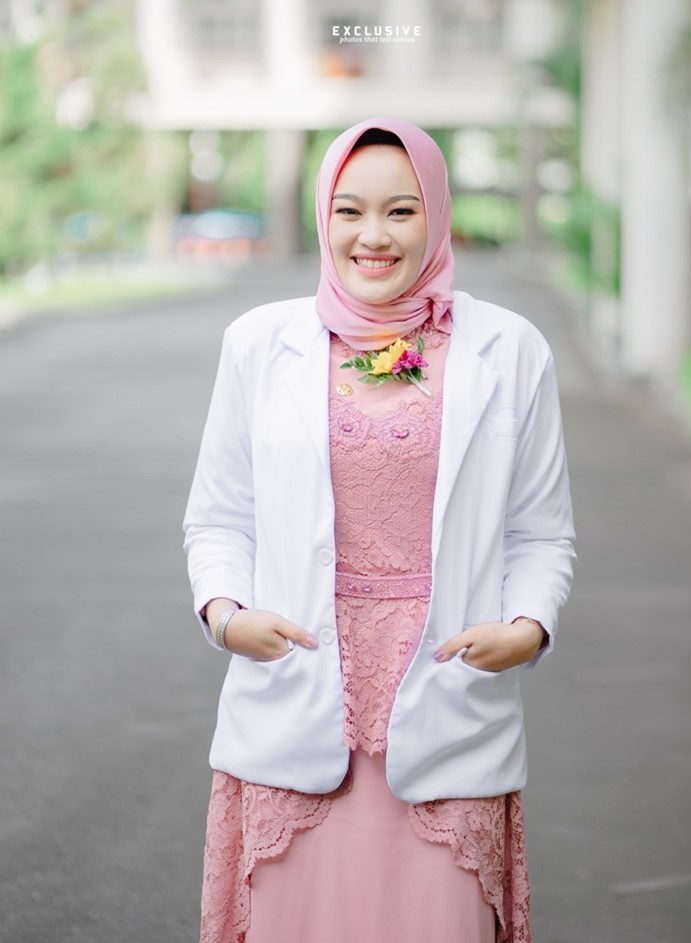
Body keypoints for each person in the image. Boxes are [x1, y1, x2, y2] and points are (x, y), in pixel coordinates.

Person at [183, 117, 576, 943]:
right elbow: (221, 514)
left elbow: (541, 531)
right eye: (349, 210)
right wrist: (225, 614)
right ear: (323, 217)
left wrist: (528, 627)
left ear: (436, 212)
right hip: (298, 690)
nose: (373, 236)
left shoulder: (510, 349)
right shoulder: (258, 345)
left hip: (449, 697)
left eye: (400, 211)